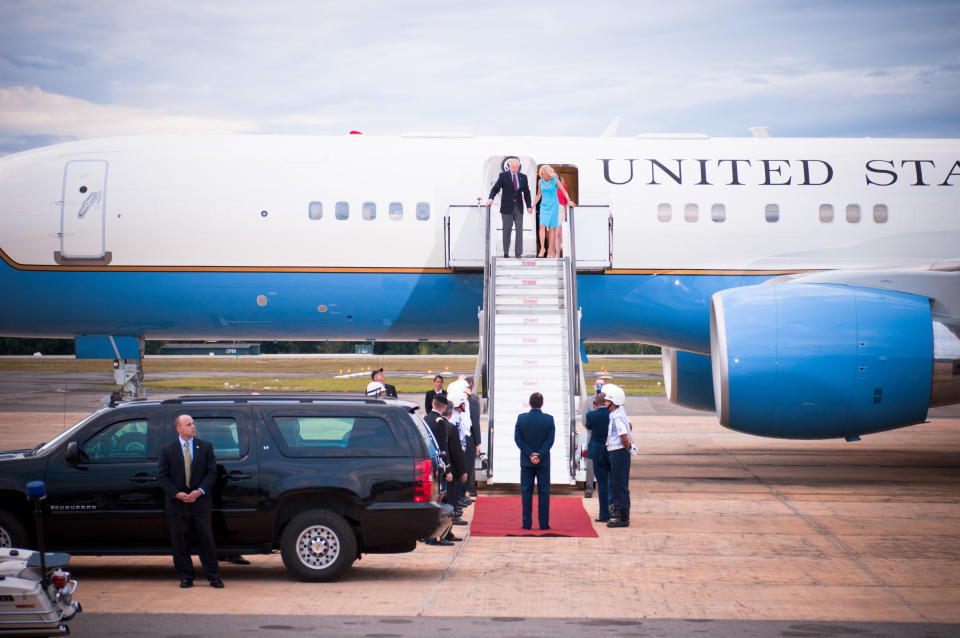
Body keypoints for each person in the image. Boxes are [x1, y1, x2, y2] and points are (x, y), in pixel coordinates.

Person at [157, 414, 224, 588]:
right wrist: (177, 494)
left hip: (200, 503)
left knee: (206, 541)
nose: (193, 427)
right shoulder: (168, 450)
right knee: (180, 543)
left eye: (193, 423)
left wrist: (199, 491)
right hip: (177, 504)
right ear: (179, 429)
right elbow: (163, 477)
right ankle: (185, 576)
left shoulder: (206, 447)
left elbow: (212, 473)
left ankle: (214, 576)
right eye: (188, 424)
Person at [514, 392, 555, 530]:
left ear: (530, 403)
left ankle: (527, 523)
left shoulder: (521, 419)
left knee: (526, 492)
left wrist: (530, 454)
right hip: (543, 462)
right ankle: (544, 524)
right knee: (544, 492)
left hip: (527, 461)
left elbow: (518, 440)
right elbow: (549, 441)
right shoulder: (549, 420)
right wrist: (539, 454)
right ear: (542, 403)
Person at [600, 383, 635, 528]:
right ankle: (620, 512)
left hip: (619, 452)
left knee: (619, 484)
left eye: (607, 401)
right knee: (617, 483)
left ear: (613, 403)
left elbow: (624, 436)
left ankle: (623, 517)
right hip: (616, 451)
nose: (605, 403)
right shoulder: (618, 413)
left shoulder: (617, 417)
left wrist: (628, 447)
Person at [486, 157, 533, 258]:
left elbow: (527, 192)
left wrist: (529, 206)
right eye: (513, 167)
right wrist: (490, 199)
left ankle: (518, 252)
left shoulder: (523, 177)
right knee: (506, 230)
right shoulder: (503, 176)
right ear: (509, 166)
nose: (515, 169)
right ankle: (506, 252)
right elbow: (495, 188)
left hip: (519, 207)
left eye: (516, 167)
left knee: (519, 230)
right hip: (506, 207)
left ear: (519, 167)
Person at [533, 165, 575, 258]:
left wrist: (568, 201)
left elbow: (564, 193)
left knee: (555, 231)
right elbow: (539, 194)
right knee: (544, 228)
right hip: (545, 207)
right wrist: (533, 205)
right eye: (542, 174)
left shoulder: (557, 182)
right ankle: (546, 249)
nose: (544, 176)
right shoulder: (541, 182)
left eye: (545, 174)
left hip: (556, 207)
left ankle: (553, 252)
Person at [585, 393, 612, 521]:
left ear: (596, 402)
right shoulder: (612, 415)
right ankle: (614, 509)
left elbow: (589, 426)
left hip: (597, 452)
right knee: (612, 482)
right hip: (611, 450)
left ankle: (604, 514)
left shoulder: (591, 415)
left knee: (601, 484)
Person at [464, 377, 481, 498]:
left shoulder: (475, 399)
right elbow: (475, 422)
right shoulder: (473, 401)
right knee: (469, 463)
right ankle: (468, 489)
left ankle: (470, 488)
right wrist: (478, 441)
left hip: (465, 434)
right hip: (468, 435)